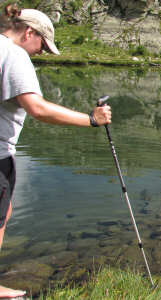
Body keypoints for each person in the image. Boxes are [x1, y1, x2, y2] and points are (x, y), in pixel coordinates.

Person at [0, 4, 112, 298]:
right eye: (42, 45)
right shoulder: (15, 55)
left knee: (6, 210)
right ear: (29, 33)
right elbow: (37, 109)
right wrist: (91, 120)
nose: (40, 53)